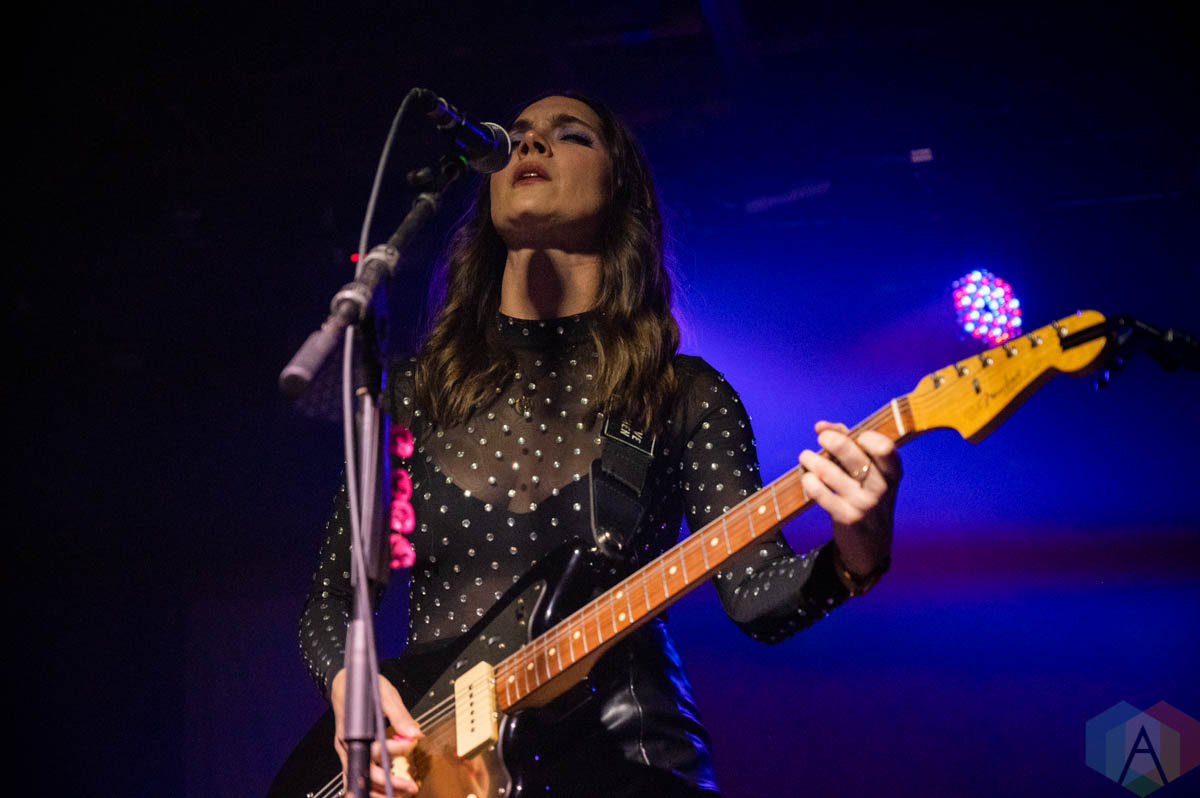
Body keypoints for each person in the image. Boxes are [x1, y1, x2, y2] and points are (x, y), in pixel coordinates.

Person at [299, 93, 901, 797]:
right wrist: (348, 683)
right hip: (442, 770)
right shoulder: (412, 395)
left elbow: (755, 598)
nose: (530, 145)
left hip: (625, 762)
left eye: (570, 135)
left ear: (620, 190)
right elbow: (331, 600)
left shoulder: (680, 393)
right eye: (516, 136)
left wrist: (858, 548)